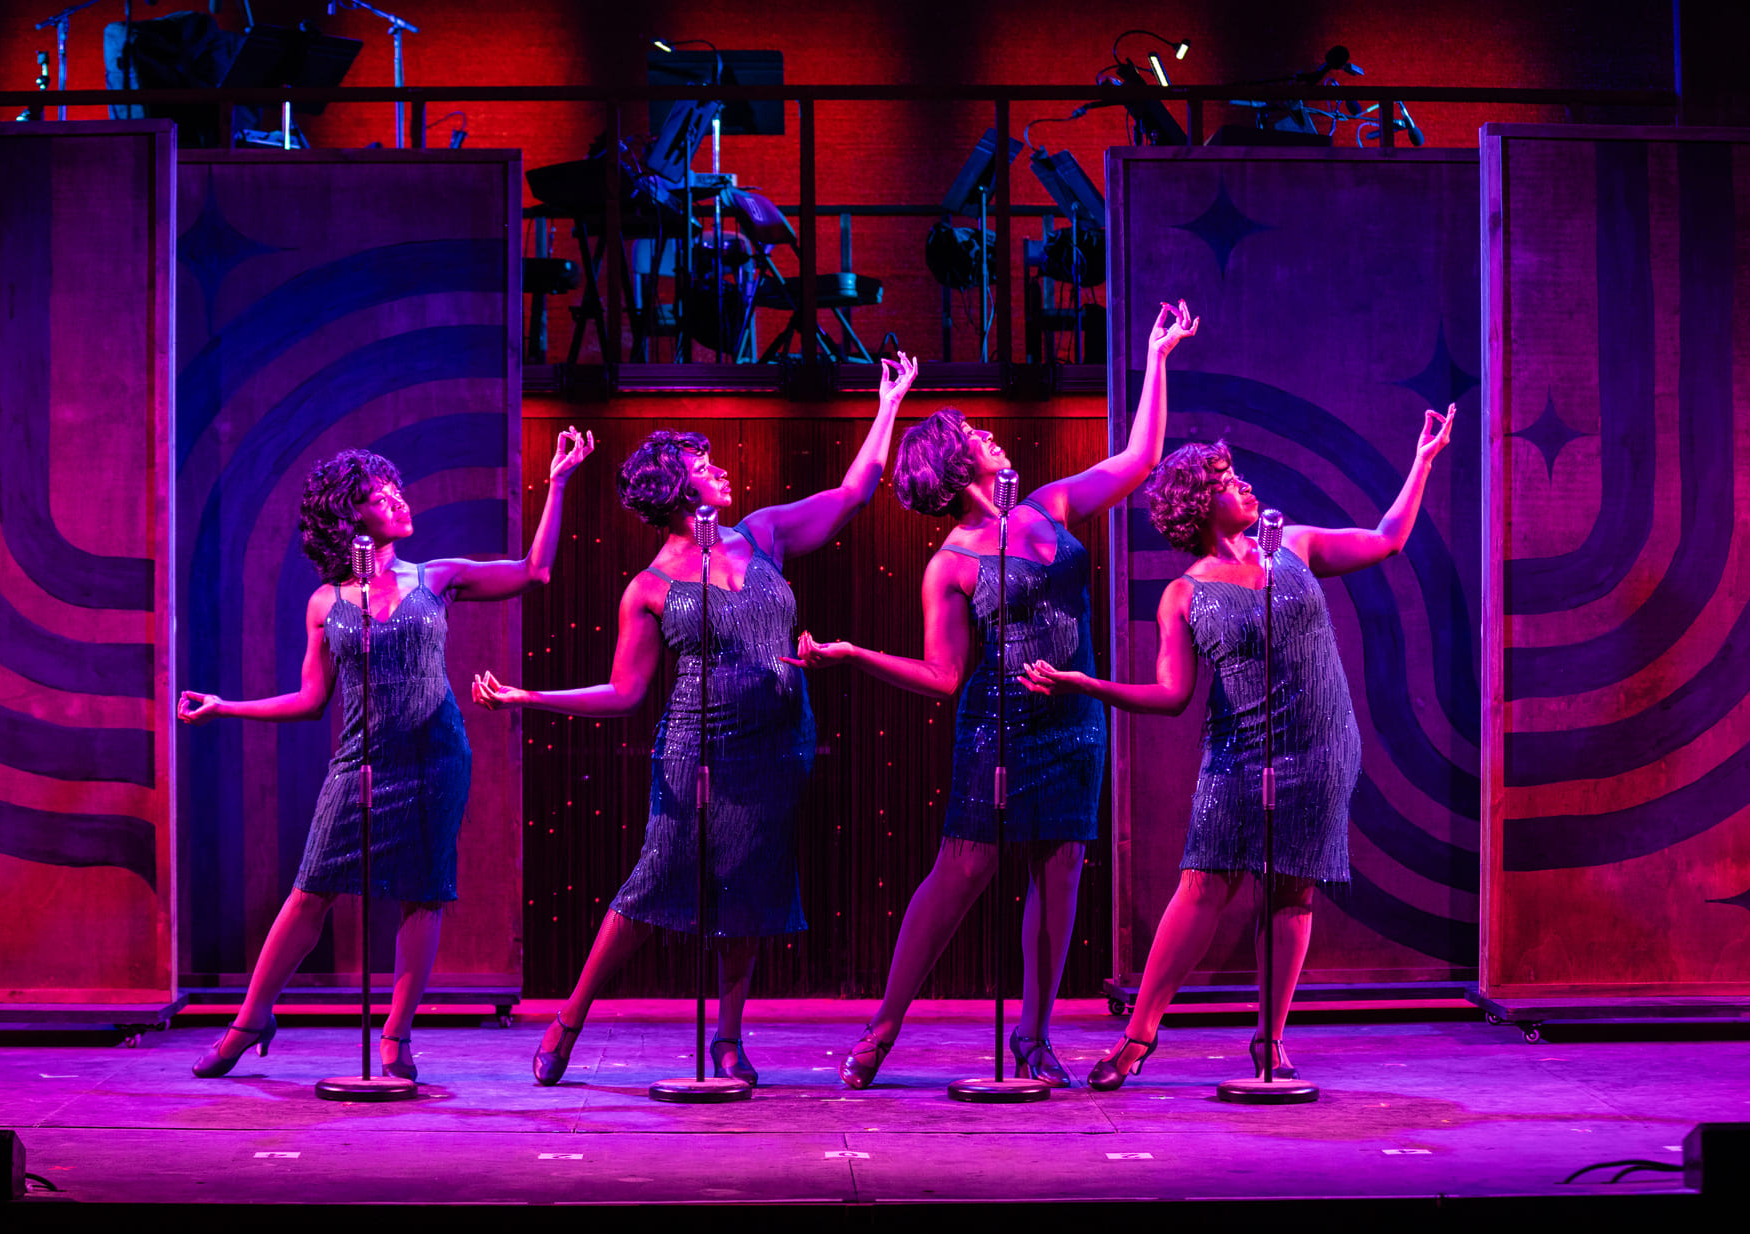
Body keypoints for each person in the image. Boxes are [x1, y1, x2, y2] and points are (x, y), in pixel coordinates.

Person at [472, 357, 921, 1086]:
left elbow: (852, 493)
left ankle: (728, 1039)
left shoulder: (764, 534)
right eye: (704, 464)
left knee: (747, 887)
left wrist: (887, 404)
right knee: (652, 884)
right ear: (677, 489)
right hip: (695, 751)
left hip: (777, 748)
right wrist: (532, 699)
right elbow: (624, 692)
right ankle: (570, 1017)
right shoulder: (648, 587)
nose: (720, 469)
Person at [786, 304, 1199, 1088]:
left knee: (1062, 868)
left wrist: (1157, 357)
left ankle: (1033, 1038)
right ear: (955, 466)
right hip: (997, 730)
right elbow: (943, 676)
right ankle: (884, 1025)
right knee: (963, 870)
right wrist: (855, 655)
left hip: (1075, 723)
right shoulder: (949, 564)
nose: (991, 437)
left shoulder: (1050, 505)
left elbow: (1139, 458)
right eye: (975, 435)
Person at [1021, 404, 1454, 1089]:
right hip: (1238, 755)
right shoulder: (1182, 594)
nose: (1244, 485)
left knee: (1293, 893)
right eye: (1226, 481)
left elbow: (1386, 540)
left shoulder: (1295, 547)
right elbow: (1170, 694)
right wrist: (1086, 685)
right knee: (1202, 887)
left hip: (1319, 748)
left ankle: (1271, 1039)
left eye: (1238, 475)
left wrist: (1423, 461)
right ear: (1199, 506)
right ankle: (1139, 1034)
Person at [178, 428, 596, 1081]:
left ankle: (396, 1038)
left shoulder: (437, 577)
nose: (400, 499)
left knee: (423, 893)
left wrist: (559, 482)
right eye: (381, 495)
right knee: (311, 890)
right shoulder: (326, 602)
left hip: (435, 757)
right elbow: (310, 700)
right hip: (359, 762)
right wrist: (225, 706)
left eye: (396, 488)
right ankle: (251, 1018)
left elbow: (532, 571)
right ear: (352, 516)